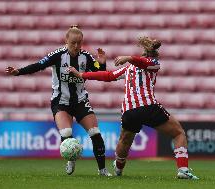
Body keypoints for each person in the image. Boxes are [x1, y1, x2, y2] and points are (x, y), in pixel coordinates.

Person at [66, 36, 199, 179]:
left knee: (125, 140)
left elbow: (109, 75)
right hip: (148, 107)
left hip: (129, 110)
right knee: (178, 133)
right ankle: (183, 170)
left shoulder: (132, 67)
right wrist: (82, 74)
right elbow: (109, 75)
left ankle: (118, 167)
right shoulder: (154, 63)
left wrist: (82, 74)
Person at [5, 25, 112, 176]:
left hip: (80, 100)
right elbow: (38, 65)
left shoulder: (86, 56)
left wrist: (102, 63)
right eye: (73, 43)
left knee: (95, 132)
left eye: (79, 43)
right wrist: (18, 72)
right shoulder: (57, 55)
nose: (76, 46)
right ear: (66, 41)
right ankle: (71, 158)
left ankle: (102, 170)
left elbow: (99, 72)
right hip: (61, 102)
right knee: (67, 132)